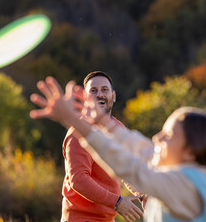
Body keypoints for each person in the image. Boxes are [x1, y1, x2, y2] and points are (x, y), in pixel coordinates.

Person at [30, 76, 206, 222]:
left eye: (168, 136)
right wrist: (103, 122)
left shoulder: (183, 185)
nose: (157, 138)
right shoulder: (198, 171)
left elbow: (129, 165)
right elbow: (139, 150)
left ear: (189, 152)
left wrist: (71, 119)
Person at [31, 72, 142, 222]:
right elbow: (78, 179)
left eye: (104, 90)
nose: (100, 94)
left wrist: (143, 193)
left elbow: (125, 167)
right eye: (93, 91)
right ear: (85, 97)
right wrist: (117, 202)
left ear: (113, 96)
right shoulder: (77, 133)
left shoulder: (119, 129)